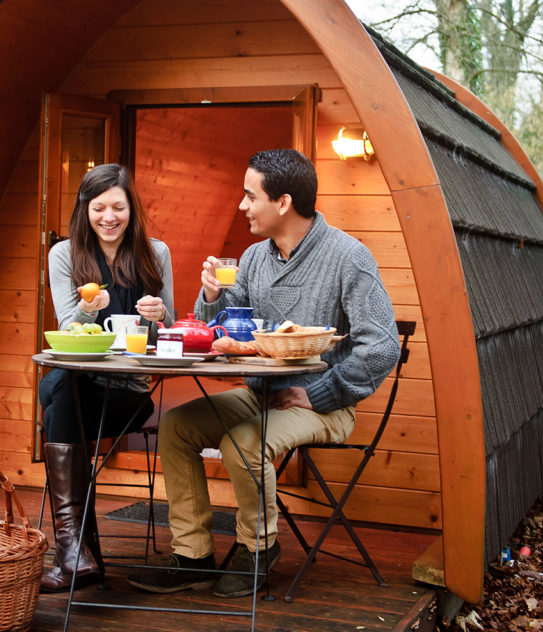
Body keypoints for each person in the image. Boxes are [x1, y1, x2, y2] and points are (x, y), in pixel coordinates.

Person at [128, 148, 399, 598]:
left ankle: (258, 549)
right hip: (261, 395)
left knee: (244, 443)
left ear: (283, 203)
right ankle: (193, 555)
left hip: (323, 405)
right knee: (176, 426)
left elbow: (382, 344)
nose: (242, 205)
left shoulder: (348, 258)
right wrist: (213, 295)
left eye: (250, 196)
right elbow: (217, 329)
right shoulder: (253, 258)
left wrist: (324, 394)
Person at [39, 163, 175, 592]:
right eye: (99, 208)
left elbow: (168, 332)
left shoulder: (157, 253)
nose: (109, 217)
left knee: (57, 396)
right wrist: (88, 309)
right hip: (82, 382)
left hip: (129, 393)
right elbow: (67, 328)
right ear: (86, 209)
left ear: (131, 209)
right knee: (65, 385)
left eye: (118, 207)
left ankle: (73, 553)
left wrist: (159, 317)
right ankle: (75, 551)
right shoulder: (64, 254)